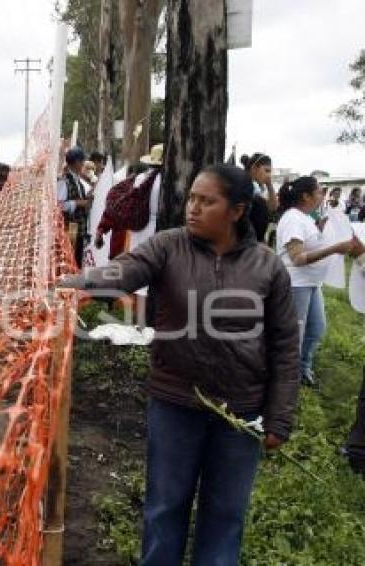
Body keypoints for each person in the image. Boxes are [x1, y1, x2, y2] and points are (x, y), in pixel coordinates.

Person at [59, 165, 301, 566]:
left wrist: (279, 416)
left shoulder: (267, 266)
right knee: (164, 508)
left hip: (240, 412)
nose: (193, 208)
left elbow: (284, 345)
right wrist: (69, 285)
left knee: (225, 515)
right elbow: (123, 272)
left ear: (237, 211)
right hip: (175, 403)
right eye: (192, 198)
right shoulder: (168, 246)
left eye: (207, 201)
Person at [275, 176, 365, 387]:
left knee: (316, 328)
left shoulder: (305, 217)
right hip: (296, 284)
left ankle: (302, 369)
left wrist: (322, 226)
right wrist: (335, 248)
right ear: (305, 196)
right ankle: (287, 381)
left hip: (311, 283)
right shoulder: (292, 219)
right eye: (318, 192)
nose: (322, 196)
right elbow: (297, 258)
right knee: (294, 336)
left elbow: (310, 242)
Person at [57, 147, 93, 265]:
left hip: (79, 229)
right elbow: (59, 205)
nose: (83, 164)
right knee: (70, 259)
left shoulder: (78, 181)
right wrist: (78, 203)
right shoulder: (64, 181)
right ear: (77, 162)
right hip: (70, 228)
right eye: (82, 161)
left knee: (77, 259)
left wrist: (87, 199)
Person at [241, 153, 278, 244]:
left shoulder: (256, 187)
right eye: (266, 171)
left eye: (270, 172)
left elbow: (272, 207)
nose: (268, 175)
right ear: (254, 168)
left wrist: (269, 185)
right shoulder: (245, 184)